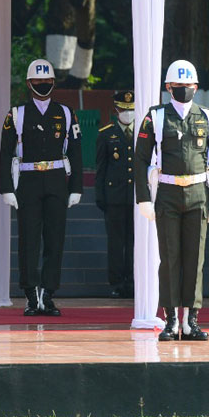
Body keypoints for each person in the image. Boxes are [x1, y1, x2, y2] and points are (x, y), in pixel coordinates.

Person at [134, 59, 209, 341]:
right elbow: (140, 158)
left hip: (199, 194)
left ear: (196, 87)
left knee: (195, 259)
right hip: (167, 194)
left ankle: (192, 322)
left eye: (188, 86)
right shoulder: (156, 116)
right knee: (170, 259)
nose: (183, 90)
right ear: (168, 87)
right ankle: (171, 320)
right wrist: (143, 199)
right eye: (178, 86)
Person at [0, 58, 83, 316]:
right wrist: (6, 189)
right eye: (38, 81)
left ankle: (48, 293)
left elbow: (77, 152)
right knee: (29, 239)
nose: (43, 85)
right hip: (28, 181)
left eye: (47, 81)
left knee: (55, 238)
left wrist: (76, 187)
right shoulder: (17, 114)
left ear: (53, 83)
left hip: (57, 179)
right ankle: (30, 295)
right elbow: (5, 153)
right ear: (28, 83)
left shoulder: (66, 113)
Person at [94, 90, 135, 298]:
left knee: (134, 242)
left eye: (131, 110)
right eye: (123, 110)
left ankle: (133, 281)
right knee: (116, 243)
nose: (127, 114)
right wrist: (100, 196)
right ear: (116, 110)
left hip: (137, 198)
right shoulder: (106, 134)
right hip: (115, 197)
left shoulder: (143, 134)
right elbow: (101, 168)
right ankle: (117, 283)